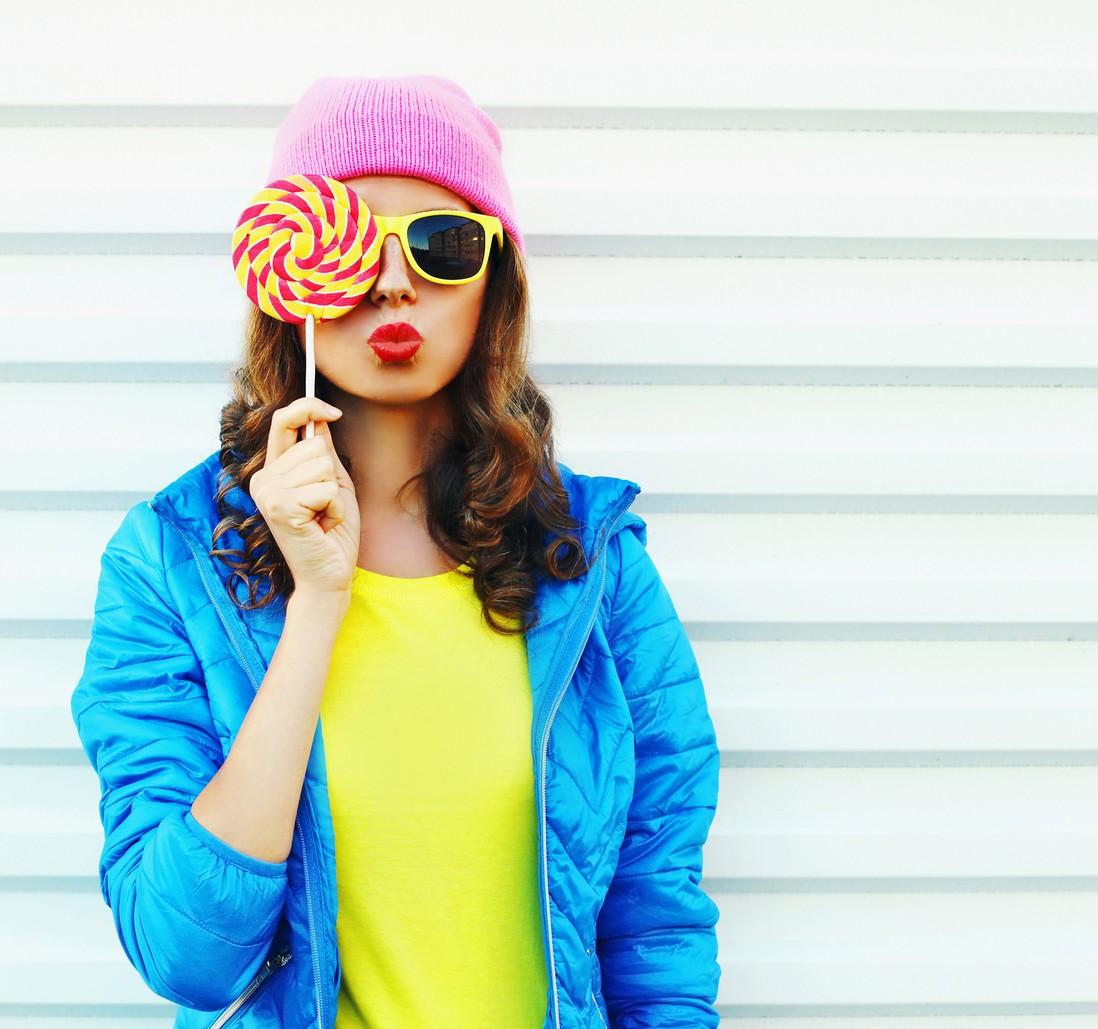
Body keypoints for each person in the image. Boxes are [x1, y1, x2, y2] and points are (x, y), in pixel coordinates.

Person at [71, 74, 721, 1029]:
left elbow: (656, 917)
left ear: (496, 280)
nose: (391, 281)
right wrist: (316, 607)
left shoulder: (593, 562)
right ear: (287, 266)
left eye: (444, 245)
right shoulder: (169, 564)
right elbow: (187, 955)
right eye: (353, 241)